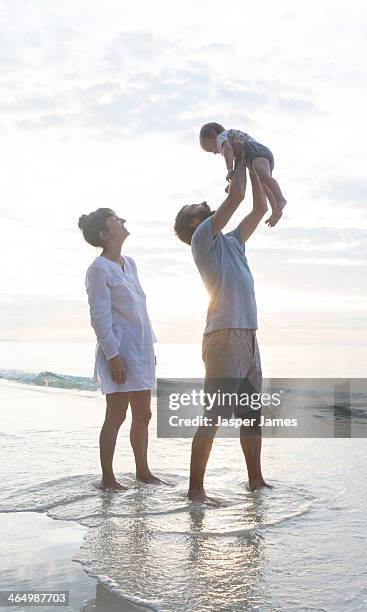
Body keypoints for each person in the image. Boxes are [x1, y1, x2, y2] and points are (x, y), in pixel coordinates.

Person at [174, 146, 271, 504]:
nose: (202, 203)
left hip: (247, 336)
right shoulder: (202, 239)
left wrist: (259, 173)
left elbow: (257, 207)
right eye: (193, 208)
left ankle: (256, 482)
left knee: (251, 413)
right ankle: (195, 491)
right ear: (191, 223)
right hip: (223, 336)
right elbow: (238, 196)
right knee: (213, 415)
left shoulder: (232, 242)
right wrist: (240, 159)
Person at [78, 208, 162, 491]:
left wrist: (149, 346)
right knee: (117, 414)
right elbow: (99, 317)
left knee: (144, 414)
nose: (123, 220)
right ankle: (108, 479)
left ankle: (143, 472)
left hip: (140, 349)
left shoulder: (131, 263)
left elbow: (141, 308)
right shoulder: (98, 269)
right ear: (104, 234)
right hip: (118, 352)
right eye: (115, 219)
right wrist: (113, 356)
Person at [199, 122, 287, 227]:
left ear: (213, 135)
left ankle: (280, 199)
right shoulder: (231, 143)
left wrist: (229, 170)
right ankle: (276, 210)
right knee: (264, 185)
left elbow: (228, 149)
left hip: (255, 150)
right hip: (252, 156)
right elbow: (239, 166)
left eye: (210, 149)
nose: (214, 152)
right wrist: (232, 183)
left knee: (264, 177)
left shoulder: (221, 138)